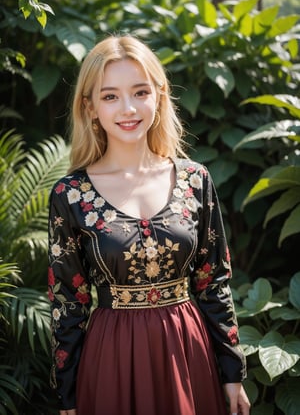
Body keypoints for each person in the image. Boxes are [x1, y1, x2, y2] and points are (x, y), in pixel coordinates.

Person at [48, 34, 250, 415]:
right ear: (90, 108)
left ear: (159, 95)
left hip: (187, 352)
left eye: (140, 92)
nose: (128, 108)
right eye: (110, 96)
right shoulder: (70, 194)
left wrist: (232, 372)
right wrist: (67, 397)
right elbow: (67, 302)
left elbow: (214, 281)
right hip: (110, 357)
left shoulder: (195, 179)